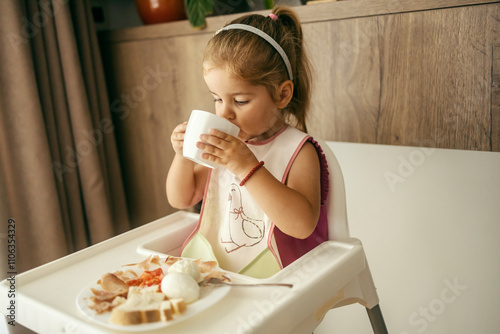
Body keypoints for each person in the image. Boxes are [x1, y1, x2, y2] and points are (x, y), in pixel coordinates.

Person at [166, 6, 329, 279]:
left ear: (282, 94)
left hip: (274, 279)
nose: (224, 113)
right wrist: (182, 156)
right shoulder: (224, 145)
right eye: (217, 99)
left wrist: (246, 167)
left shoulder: (300, 151)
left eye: (240, 101)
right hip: (212, 269)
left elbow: (302, 225)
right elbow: (182, 198)